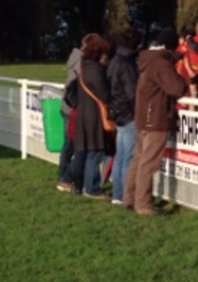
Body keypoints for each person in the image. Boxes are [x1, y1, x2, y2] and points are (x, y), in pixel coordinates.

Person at [125, 28, 186, 216]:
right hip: (155, 117)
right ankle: (143, 204)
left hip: (144, 115)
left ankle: (130, 198)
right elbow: (177, 88)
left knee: (138, 159)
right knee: (148, 162)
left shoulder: (148, 60)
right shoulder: (159, 63)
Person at [66, 34, 112, 199]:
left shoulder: (84, 68)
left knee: (85, 152)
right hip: (94, 116)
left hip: (84, 114)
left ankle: (70, 178)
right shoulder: (96, 70)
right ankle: (91, 188)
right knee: (95, 152)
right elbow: (105, 95)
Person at [106, 28, 139, 206]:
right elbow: (132, 92)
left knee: (120, 156)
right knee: (128, 157)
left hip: (118, 113)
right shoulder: (127, 64)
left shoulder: (115, 60)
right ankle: (127, 196)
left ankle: (117, 195)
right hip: (128, 114)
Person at [56, 36, 88, 192]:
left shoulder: (75, 60)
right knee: (73, 146)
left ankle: (64, 177)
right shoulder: (83, 64)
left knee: (68, 147)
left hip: (67, 107)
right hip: (73, 109)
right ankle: (66, 179)